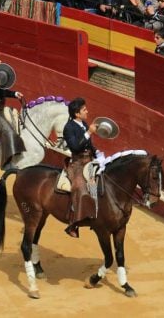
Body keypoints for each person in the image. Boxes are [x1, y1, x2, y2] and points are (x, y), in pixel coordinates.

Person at [62, 97, 101, 238]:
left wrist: (98, 154)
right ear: (77, 114)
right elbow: (75, 147)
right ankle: (74, 222)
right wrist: (89, 133)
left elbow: (89, 145)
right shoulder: (69, 128)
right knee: (80, 186)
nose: (87, 111)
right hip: (78, 163)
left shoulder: (83, 124)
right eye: (84, 109)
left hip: (90, 160)